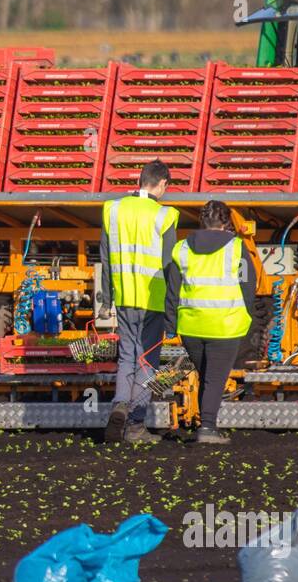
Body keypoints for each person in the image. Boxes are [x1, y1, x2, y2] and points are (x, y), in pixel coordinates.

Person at [165, 200, 257, 445]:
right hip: (225, 325)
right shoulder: (236, 248)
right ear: (227, 222)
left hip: (191, 326)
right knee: (215, 377)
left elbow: (172, 291)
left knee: (207, 374)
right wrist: (248, 317)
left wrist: (171, 324)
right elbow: (248, 285)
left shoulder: (181, 248)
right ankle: (207, 427)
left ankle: (205, 423)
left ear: (201, 220)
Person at [100, 160, 179, 443]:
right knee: (147, 362)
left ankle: (119, 405)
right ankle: (135, 424)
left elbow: (106, 259)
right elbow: (171, 266)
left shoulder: (113, 209)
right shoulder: (165, 215)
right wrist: (173, 309)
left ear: (140, 180)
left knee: (126, 357)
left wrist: (107, 298)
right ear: (162, 184)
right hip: (153, 300)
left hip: (123, 297)